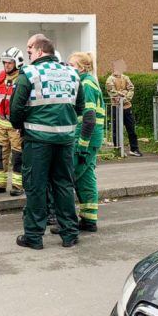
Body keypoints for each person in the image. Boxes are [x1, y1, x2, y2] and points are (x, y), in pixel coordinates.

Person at [9, 34, 84, 250]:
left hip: (37, 140)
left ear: (40, 51)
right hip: (65, 140)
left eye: (30, 50)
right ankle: (70, 233)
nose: (28, 54)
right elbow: (80, 106)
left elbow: (16, 108)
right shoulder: (72, 73)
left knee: (36, 186)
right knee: (63, 185)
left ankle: (34, 236)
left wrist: (20, 125)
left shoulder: (30, 73)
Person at [68, 52, 105, 232]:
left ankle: (66, 222)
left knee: (68, 177)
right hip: (92, 137)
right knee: (85, 178)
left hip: (86, 138)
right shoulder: (88, 81)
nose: (68, 68)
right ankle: (89, 219)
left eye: (71, 65)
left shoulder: (86, 84)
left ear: (81, 68)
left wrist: (82, 145)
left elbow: (89, 118)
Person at [0, 47, 24, 197]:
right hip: (2, 124)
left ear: (17, 63)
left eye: (10, 63)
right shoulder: (1, 77)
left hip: (15, 127)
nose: (6, 65)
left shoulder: (22, 78)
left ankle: (18, 185)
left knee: (18, 156)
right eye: (5, 63)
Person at [105, 60, 142, 157]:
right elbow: (112, 92)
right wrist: (123, 93)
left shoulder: (126, 78)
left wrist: (125, 98)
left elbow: (131, 89)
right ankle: (117, 149)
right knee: (116, 129)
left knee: (131, 129)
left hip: (127, 107)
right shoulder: (110, 79)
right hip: (116, 107)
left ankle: (134, 149)